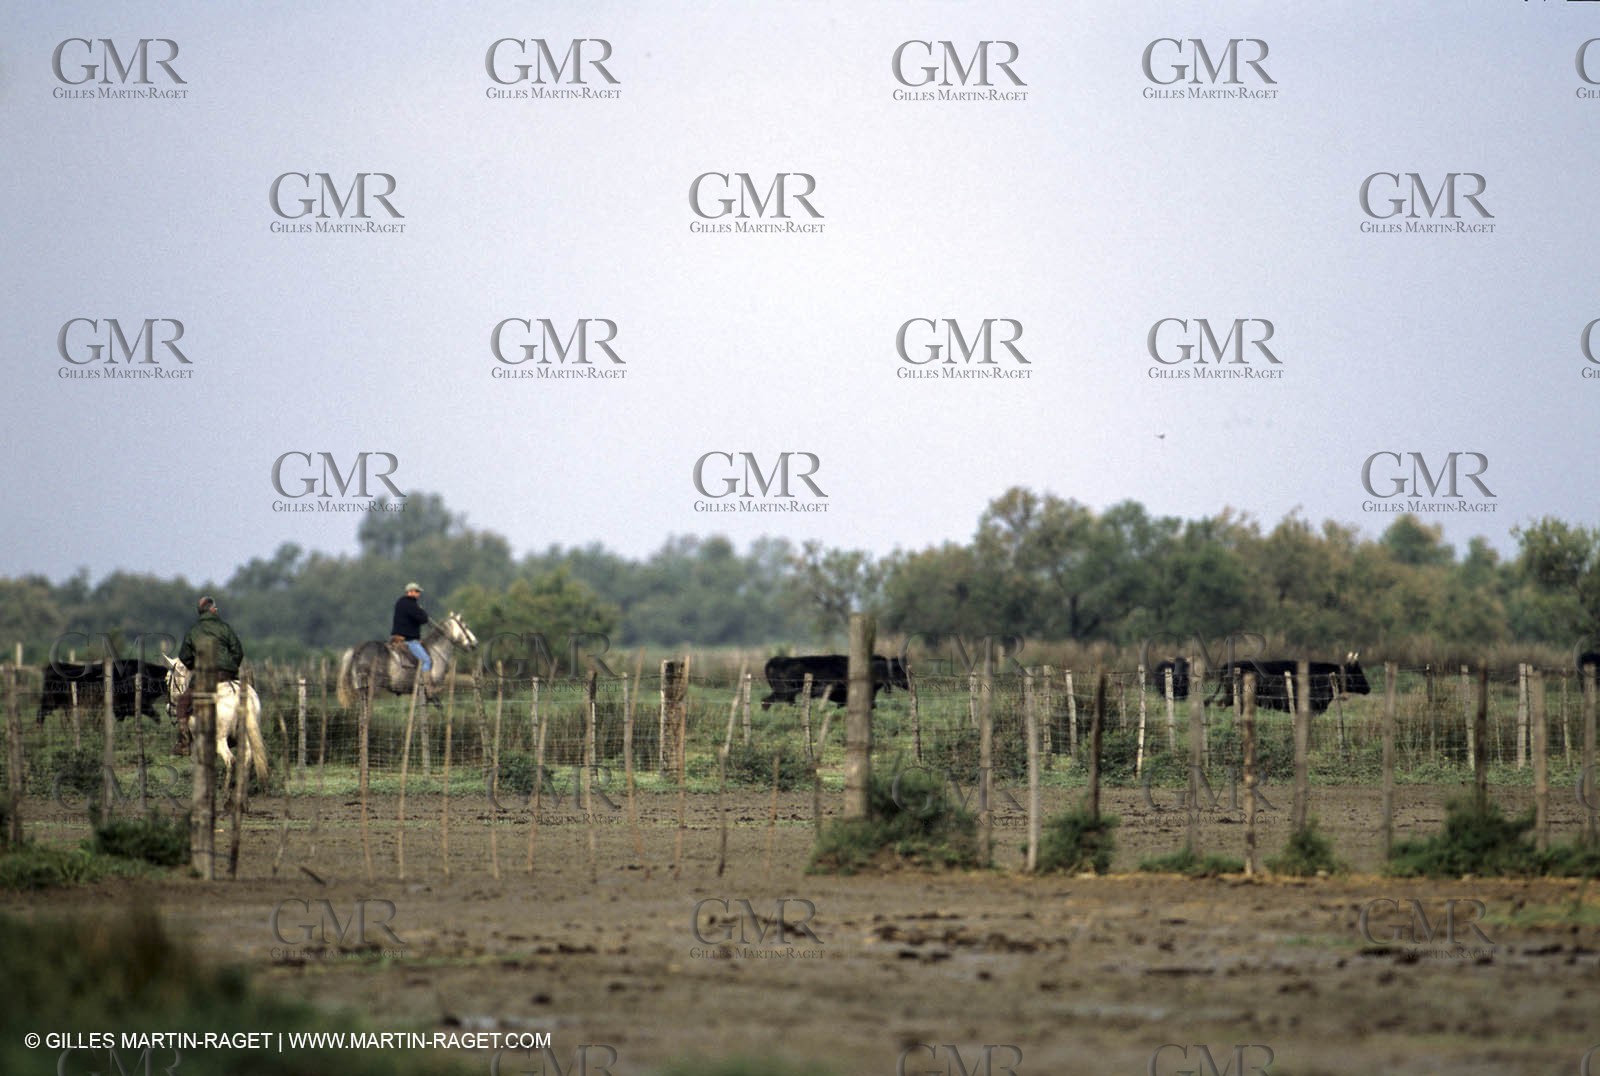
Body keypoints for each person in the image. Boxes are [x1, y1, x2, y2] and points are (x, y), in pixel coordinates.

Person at [175, 595, 245, 756]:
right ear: (213, 610)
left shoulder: (193, 631)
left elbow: (184, 655)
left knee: (182, 703)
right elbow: (238, 651)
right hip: (226, 674)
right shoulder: (225, 628)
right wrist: (232, 667)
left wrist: (195, 667)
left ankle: (184, 743)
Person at [390, 582, 432, 677]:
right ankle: (423, 686)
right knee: (427, 661)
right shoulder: (411, 604)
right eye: (417, 591)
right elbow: (423, 619)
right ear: (411, 592)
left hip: (397, 638)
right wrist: (421, 610)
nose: (418, 594)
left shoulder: (400, 602)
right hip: (409, 640)